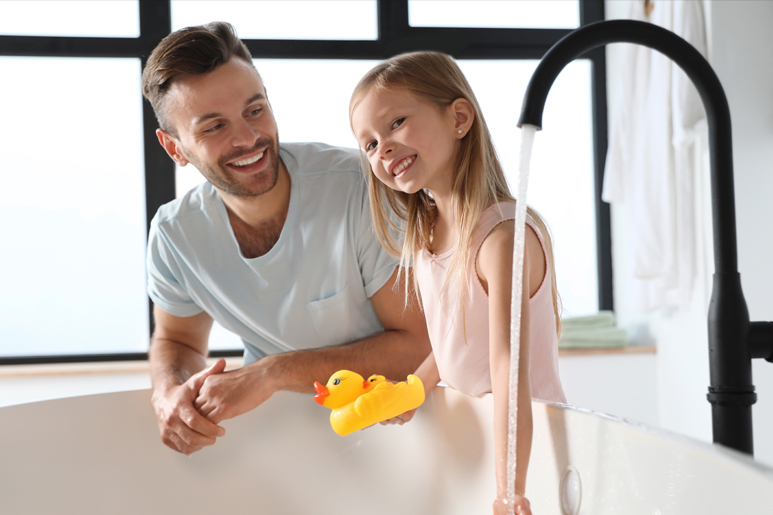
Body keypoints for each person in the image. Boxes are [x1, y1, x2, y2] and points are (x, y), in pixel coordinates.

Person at [140, 22, 430, 456]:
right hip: (286, 441)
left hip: (406, 431)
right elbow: (176, 341)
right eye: (214, 127)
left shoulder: (360, 186)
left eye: (254, 110)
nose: (247, 138)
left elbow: (417, 346)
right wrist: (168, 391)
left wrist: (271, 373)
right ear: (175, 148)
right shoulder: (174, 234)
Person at [349, 51, 567, 515]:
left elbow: (509, 371)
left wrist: (511, 489)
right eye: (368, 143)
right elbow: (458, 344)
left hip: (528, 453)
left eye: (396, 123)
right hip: (485, 440)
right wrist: (416, 385)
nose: (382, 148)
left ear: (460, 118)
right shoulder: (428, 234)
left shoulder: (502, 237)